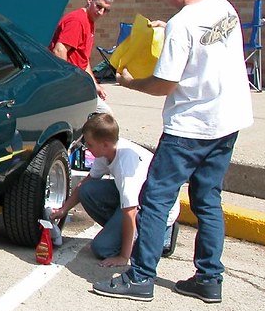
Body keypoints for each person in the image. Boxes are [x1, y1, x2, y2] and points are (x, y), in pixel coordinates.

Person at [93, 0, 252, 303]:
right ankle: (209, 278)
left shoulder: (182, 25)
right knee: (208, 200)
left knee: (155, 200)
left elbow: (165, 84)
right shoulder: (222, 6)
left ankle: (140, 277)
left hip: (190, 127)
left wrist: (130, 83)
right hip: (228, 120)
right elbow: (209, 46)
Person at [51, 113, 179, 268]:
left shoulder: (126, 168)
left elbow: (130, 212)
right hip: (136, 200)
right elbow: (86, 183)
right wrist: (63, 210)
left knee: (102, 248)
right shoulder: (107, 152)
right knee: (87, 190)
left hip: (153, 208)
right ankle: (123, 236)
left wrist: (123, 257)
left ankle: (161, 234)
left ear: (104, 144)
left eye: (89, 144)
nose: (87, 148)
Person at [49, 0, 114, 113]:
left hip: (79, 83)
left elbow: (83, 60)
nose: (101, 12)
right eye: (99, 6)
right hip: (68, 85)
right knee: (104, 115)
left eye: (106, 10)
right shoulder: (77, 21)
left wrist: (95, 85)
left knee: (97, 118)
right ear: (90, 0)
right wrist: (68, 83)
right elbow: (59, 50)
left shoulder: (89, 22)